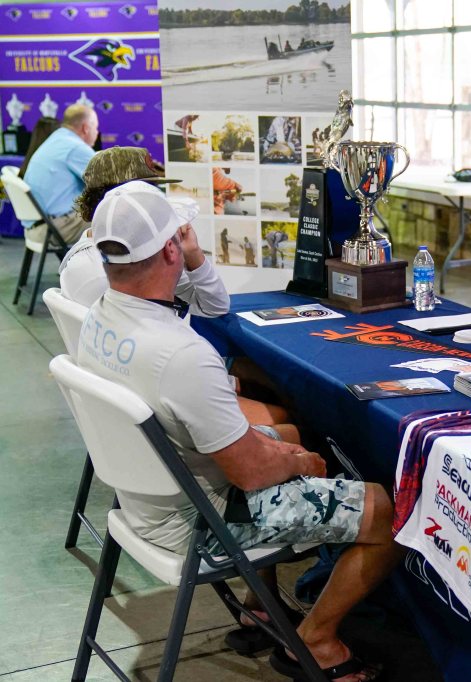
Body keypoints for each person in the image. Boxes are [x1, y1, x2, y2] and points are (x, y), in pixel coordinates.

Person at [77, 182, 400, 680]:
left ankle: (260, 604)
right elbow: (251, 474)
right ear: (171, 249)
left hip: (143, 503)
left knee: (289, 436)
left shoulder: (99, 318)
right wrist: (302, 463)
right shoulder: (181, 355)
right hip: (199, 522)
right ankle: (316, 640)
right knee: (390, 510)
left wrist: (291, 452)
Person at [59, 146, 229, 319]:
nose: (157, 201)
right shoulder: (135, 263)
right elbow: (214, 306)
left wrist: (191, 253)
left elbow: (216, 306)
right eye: (150, 191)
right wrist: (191, 254)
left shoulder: (92, 252)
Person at [20, 104, 99, 245]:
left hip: (37, 227)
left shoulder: (57, 139)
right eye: (96, 128)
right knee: (114, 217)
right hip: (54, 229)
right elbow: (111, 179)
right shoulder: (75, 147)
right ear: (86, 128)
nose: (97, 132)